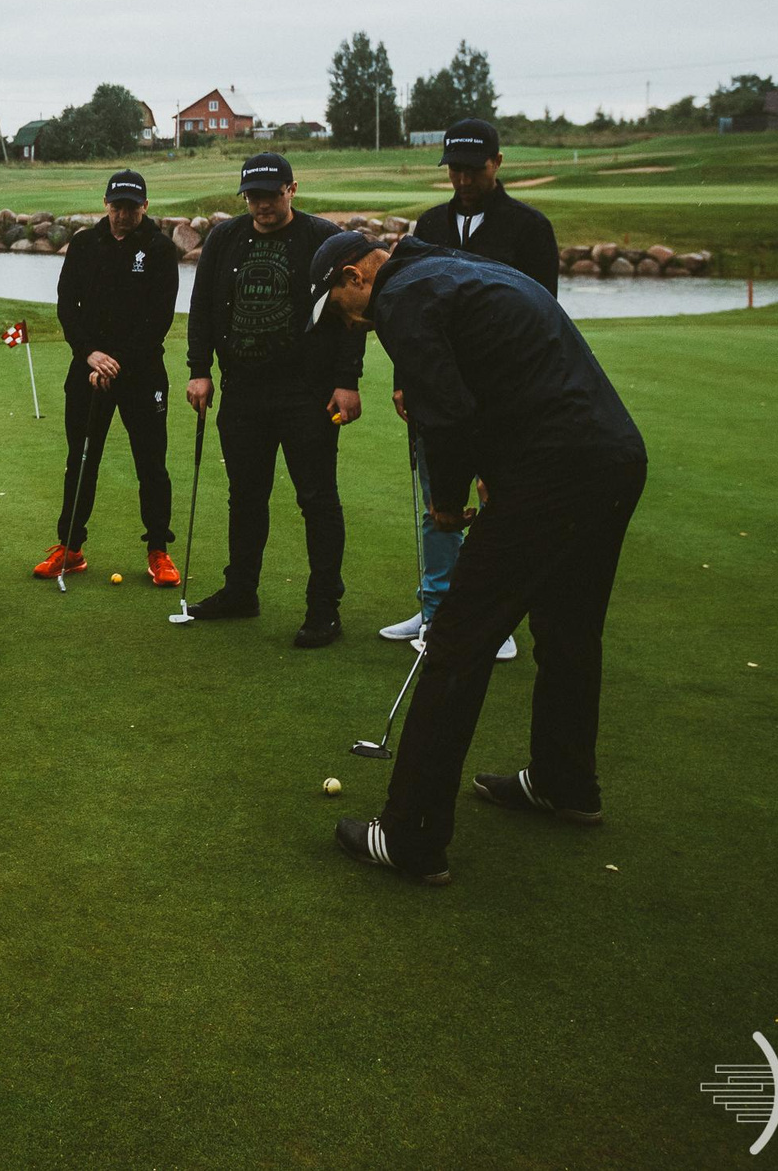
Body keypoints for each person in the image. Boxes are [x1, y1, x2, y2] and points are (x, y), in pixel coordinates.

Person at [309, 230, 647, 884]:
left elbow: (450, 414)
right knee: (568, 627)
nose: (349, 323)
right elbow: (488, 375)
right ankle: (564, 783)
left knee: (458, 642)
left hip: (553, 473)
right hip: (610, 460)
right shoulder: (444, 267)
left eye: (340, 308)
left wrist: (446, 502)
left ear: (354, 276)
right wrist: (498, 462)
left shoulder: (403, 295)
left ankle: (410, 836)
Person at [380, 117, 561, 657]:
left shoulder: (529, 229)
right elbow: (408, 309)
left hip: (503, 393)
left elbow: (542, 318)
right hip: (437, 387)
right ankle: (437, 607)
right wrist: (404, 380)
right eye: (453, 169)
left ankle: (494, 622)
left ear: (497, 164)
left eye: (471, 169)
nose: (460, 180)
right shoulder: (431, 224)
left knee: (497, 504)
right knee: (438, 499)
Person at [180, 151, 366, 647]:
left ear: (292, 189)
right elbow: (201, 309)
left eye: (271, 194)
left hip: (307, 393)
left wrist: (348, 380)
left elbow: (352, 315)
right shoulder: (224, 238)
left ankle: (324, 607)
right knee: (244, 498)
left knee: (317, 500)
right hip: (242, 392)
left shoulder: (323, 238)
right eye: (253, 196)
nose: (262, 205)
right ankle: (241, 591)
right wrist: (199, 370)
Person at [36, 169, 182, 587]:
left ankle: (158, 550)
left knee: (151, 464)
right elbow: (68, 306)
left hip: (142, 374)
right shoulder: (84, 244)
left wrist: (114, 362)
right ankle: (70, 548)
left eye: (131, 207)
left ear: (145, 207)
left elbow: (159, 318)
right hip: (87, 370)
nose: (123, 214)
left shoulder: (158, 248)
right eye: (117, 206)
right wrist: (90, 356)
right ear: (105, 204)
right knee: (80, 462)